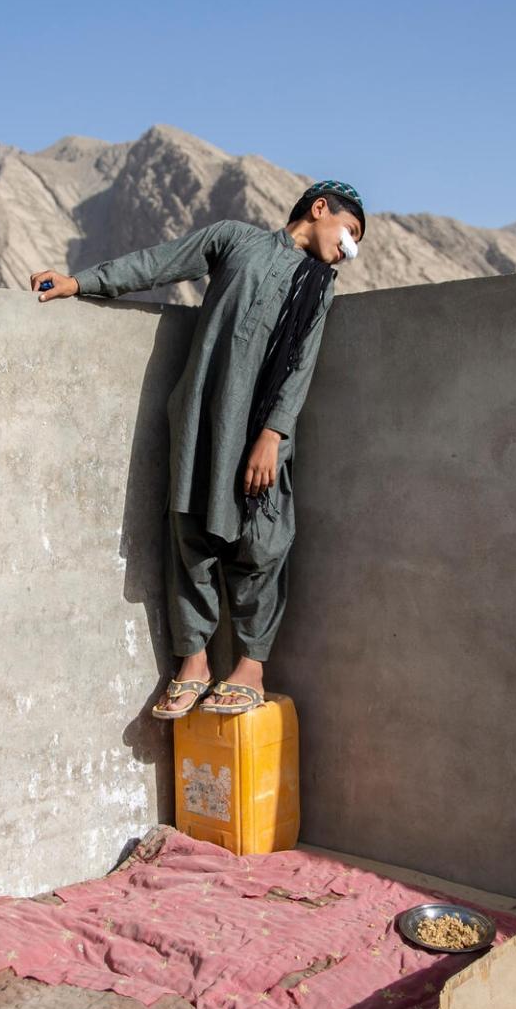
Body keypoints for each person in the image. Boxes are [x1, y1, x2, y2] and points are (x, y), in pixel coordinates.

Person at [30, 180, 365, 719]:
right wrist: (80, 281)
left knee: (263, 540)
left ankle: (251, 667)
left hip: (261, 433)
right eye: (350, 231)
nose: (352, 247)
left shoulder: (319, 286)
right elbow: (163, 262)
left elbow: (301, 364)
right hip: (203, 417)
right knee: (191, 535)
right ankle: (194, 663)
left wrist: (272, 436)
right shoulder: (235, 240)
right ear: (318, 209)